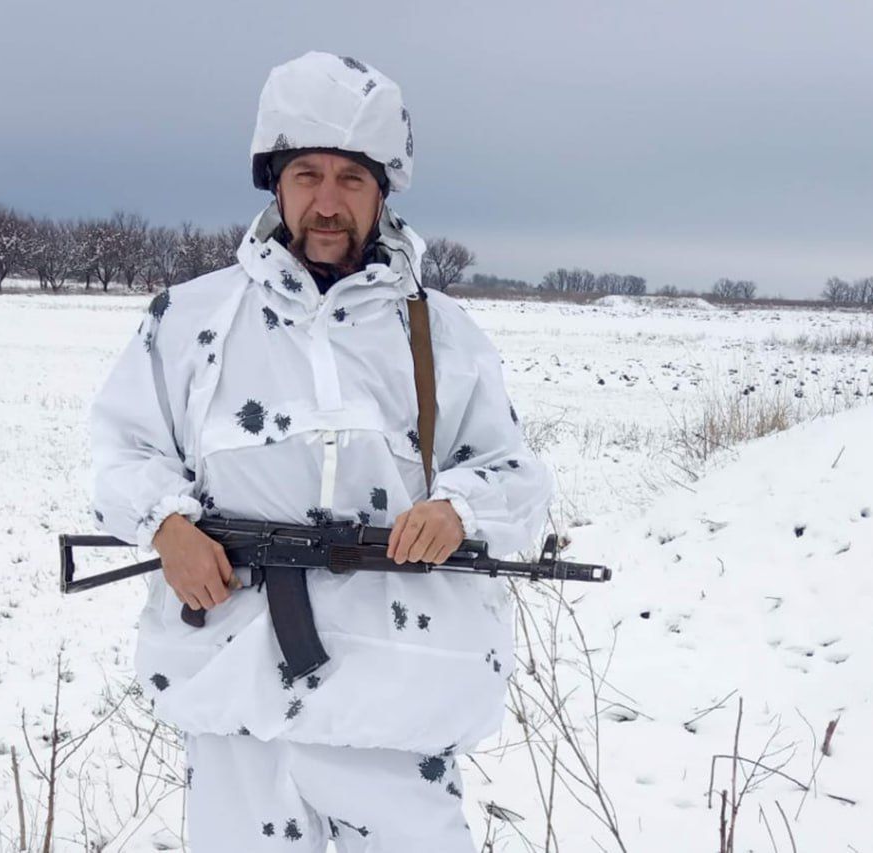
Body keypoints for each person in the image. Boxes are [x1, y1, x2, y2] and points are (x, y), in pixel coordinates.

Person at [89, 50, 553, 852]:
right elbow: (122, 451)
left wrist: (458, 508)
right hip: (238, 701)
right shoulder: (191, 319)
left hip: (399, 699)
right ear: (276, 184)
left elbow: (515, 475)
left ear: (382, 193)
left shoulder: (440, 332)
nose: (328, 203)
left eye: (352, 179)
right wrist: (167, 528)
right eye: (308, 175)